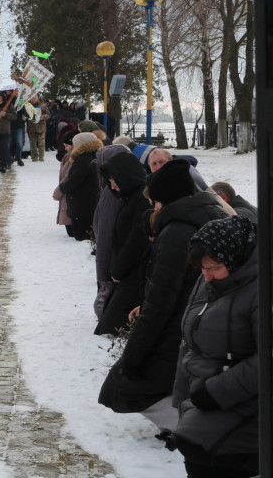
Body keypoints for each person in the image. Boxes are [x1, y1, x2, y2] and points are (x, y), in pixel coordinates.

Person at [99, 159, 229, 431]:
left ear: (163, 201)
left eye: (155, 202)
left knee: (129, 384)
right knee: (177, 379)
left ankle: (189, 430)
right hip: (198, 321)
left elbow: (163, 299)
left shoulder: (176, 232)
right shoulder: (207, 214)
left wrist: (133, 353)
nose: (152, 208)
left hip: (177, 323)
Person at [171, 216, 259, 478]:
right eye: (202, 269)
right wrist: (181, 396)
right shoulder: (209, 281)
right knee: (193, 448)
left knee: (202, 450)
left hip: (247, 398)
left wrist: (216, 391)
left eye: (215, 267)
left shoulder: (260, 289)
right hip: (205, 394)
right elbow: (190, 343)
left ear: (236, 257)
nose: (207, 276)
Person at [95, 150, 151, 336]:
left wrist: (117, 270)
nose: (113, 186)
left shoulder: (141, 200)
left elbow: (136, 240)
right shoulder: (130, 197)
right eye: (109, 181)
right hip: (127, 272)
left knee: (112, 327)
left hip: (133, 273)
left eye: (114, 180)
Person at [57, 130, 103, 241]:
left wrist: (62, 188)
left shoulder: (82, 159)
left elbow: (74, 180)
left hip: (82, 202)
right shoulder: (96, 156)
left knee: (82, 236)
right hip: (91, 200)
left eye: (75, 144)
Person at [28, 97, 50, 162]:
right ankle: (34, 157)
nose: (33, 100)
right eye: (32, 98)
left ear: (37, 99)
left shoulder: (43, 105)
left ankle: (41, 157)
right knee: (33, 143)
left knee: (41, 143)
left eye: (34, 98)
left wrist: (44, 116)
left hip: (41, 127)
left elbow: (48, 114)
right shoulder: (28, 105)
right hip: (31, 127)